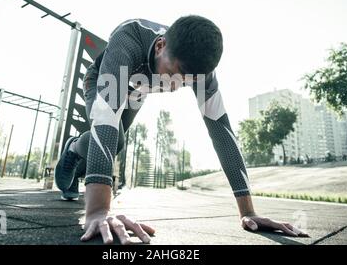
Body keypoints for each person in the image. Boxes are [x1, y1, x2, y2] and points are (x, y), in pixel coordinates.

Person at [55, 16, 309, 244]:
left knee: (114, 143)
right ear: (159, 46)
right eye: (174, 74)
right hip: (102, 77)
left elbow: (222, 133)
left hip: (138, 91)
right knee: (115, 139)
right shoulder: (128, 39)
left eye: (189, 82)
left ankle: (79, 157)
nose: (177, 87)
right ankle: (73, 148)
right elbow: (106, 114)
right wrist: (99, 211)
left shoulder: (202, 72)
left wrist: (248, 211)